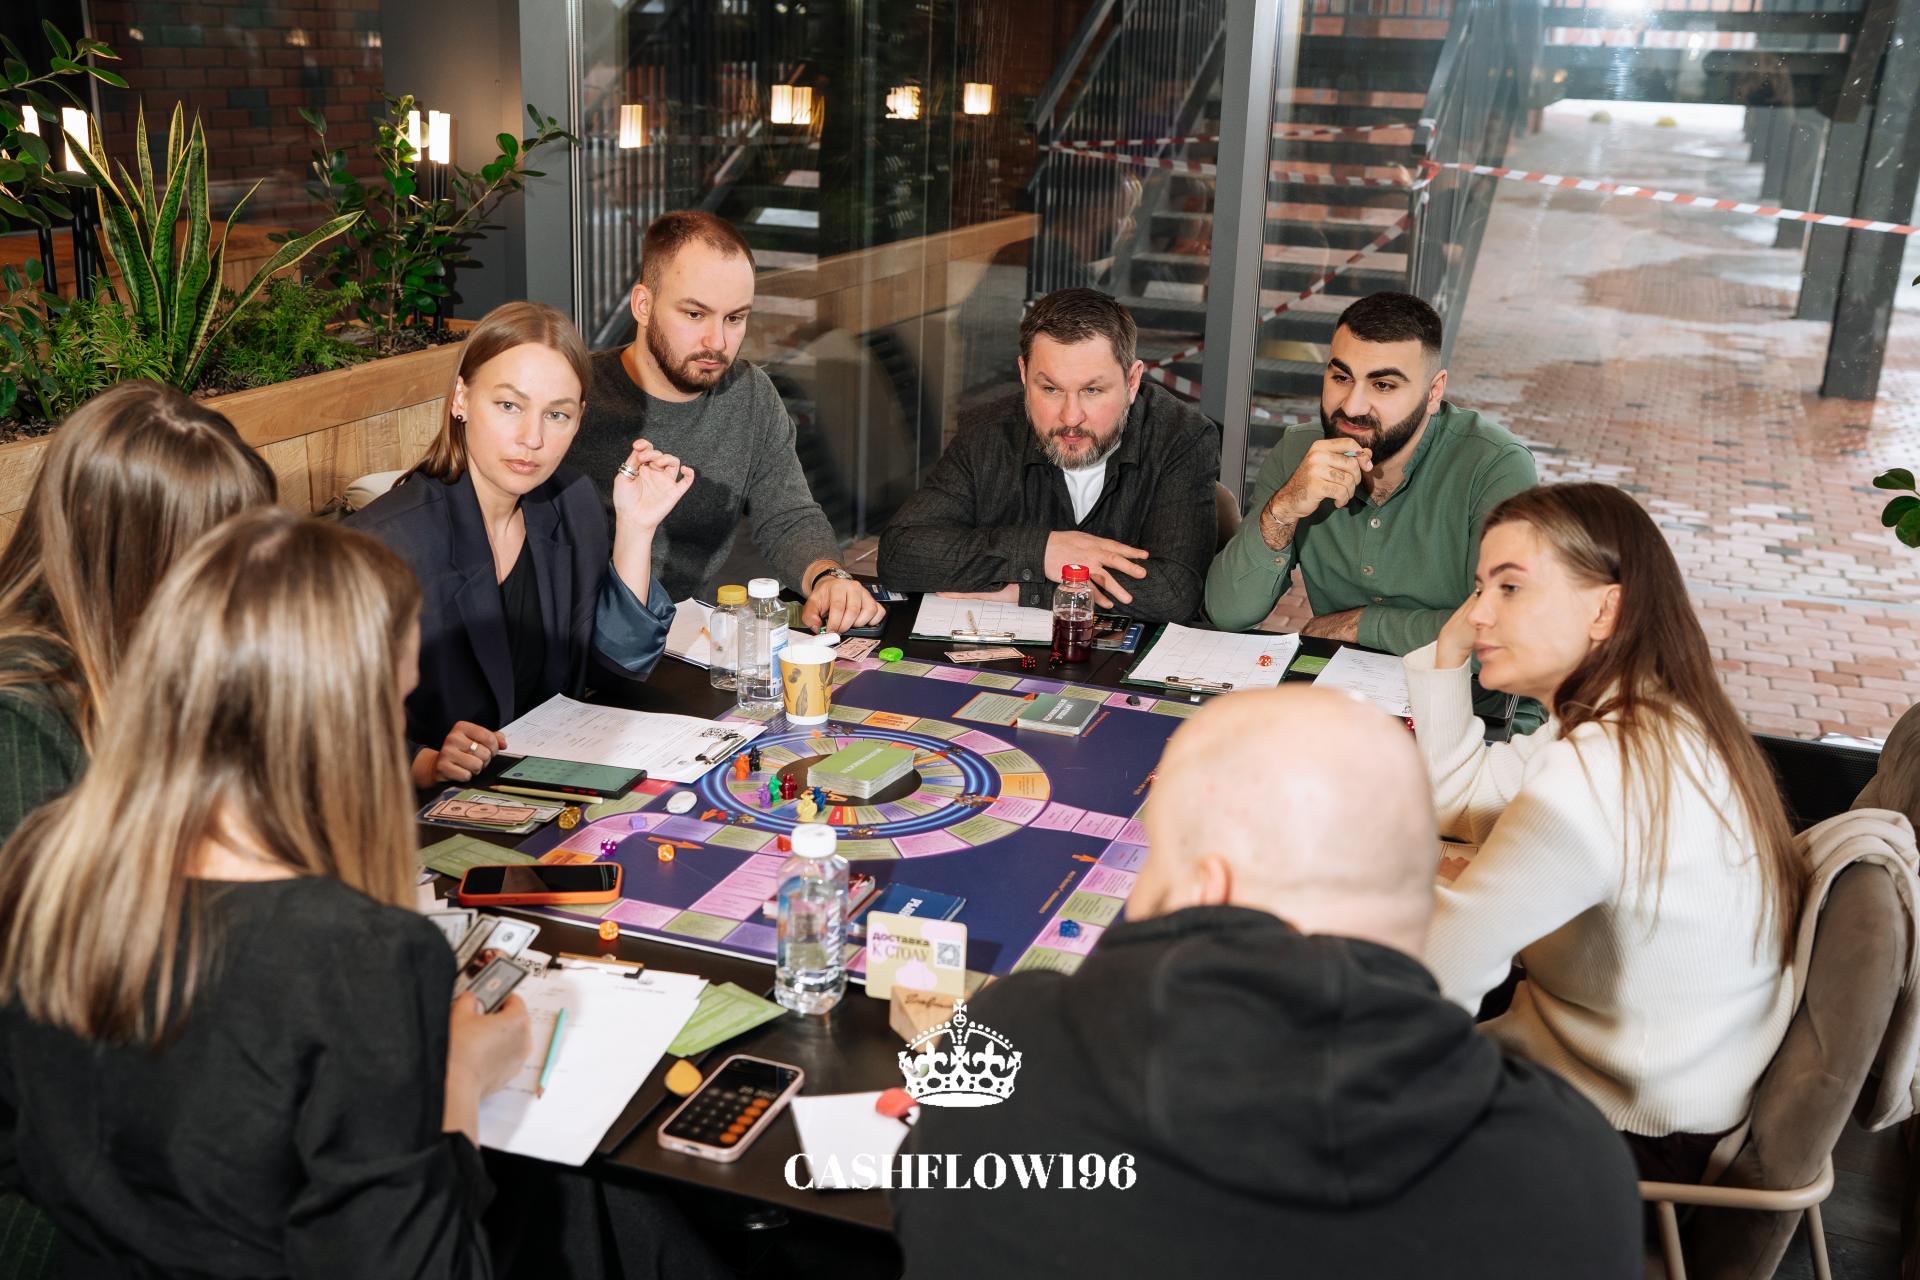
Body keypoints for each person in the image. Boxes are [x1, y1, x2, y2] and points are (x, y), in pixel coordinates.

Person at [892, 686, 1642, 1279]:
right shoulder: (1572, 1170)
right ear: (1422, 898)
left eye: (1153, 860)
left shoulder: (1003, 1055)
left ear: (1206, 888)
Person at [0, 508, 529, 1275]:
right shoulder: (363, 954)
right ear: (337, 721)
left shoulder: (43, 867)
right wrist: (459, 1080)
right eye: (392, 702)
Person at [1411, 482, 1802, 1182]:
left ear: (1605, 610)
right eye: (1478, 588)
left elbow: (1441, 974)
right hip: (1670, 1087)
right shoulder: (1645, 713)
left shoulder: (1597, 769)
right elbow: (1462, 806)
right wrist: (1448, 657)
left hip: (1624, 1131)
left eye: (1509, 588)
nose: (1477, 614)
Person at [351, 301, 693, 787]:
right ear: (461, 399)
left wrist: (636, 530)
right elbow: (310, 721)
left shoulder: (570, 502)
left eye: (557, 414)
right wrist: (423, 762)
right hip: (414, 808)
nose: (532, 438)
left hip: (542, 786)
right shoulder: (383, 545)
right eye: (509, 406)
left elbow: (613, 674)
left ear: (579, 419)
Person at [573, 211, 884, 635]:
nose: (717, 342)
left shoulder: (749, 393)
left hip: (689, 637)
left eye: (734, 318)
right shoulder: (574, 397)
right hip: (587, 636)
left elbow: (788, 515)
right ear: (643, 305)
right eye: (695, 314)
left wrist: (828, 577)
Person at [0, 381, 276, 842]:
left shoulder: (141, 635)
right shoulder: (21, 711)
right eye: (213, 557)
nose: (238, 583)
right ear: (129, 550)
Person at [1205, 291, 1536, 651]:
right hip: (1341, 680)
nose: (1352, 406)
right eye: (1341, 377)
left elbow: (1504, 631)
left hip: (1463, 686)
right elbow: (1228, 613)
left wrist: (1360, 625)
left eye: (1383, 385)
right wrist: (1282, 511)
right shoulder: (1299, 451)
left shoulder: (1494, 465)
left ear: (1433, 392)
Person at [876, 288, 1220, 621]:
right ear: (1024, 374)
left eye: (1092, 390)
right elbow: (900, 553)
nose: (1071, 417)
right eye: (1051, 389)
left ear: (1132, 382)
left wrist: (1030, 591)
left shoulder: (1182, 437)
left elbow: (1175, 592)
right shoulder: (987, 434)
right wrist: (1042, 551)